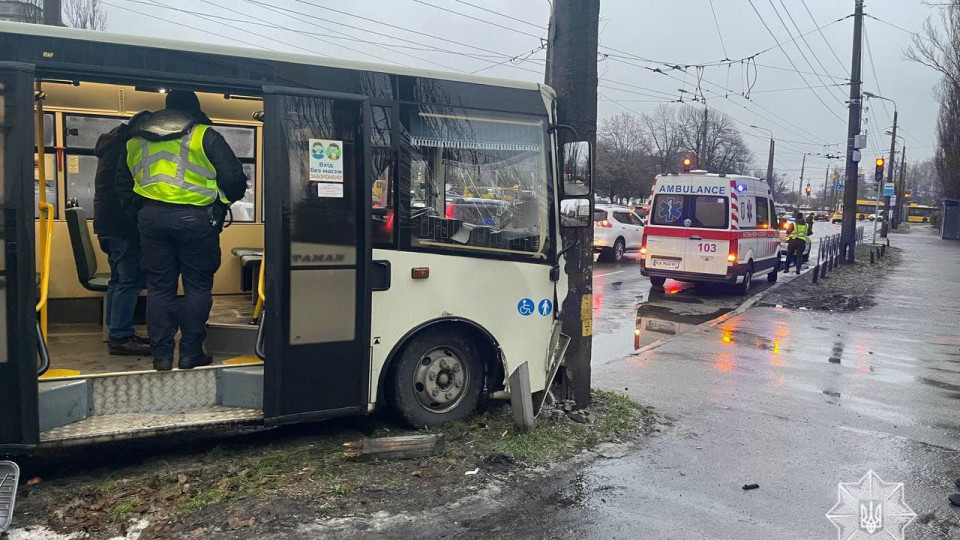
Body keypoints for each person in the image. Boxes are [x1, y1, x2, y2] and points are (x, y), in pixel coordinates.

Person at [116, 91, 247, 371]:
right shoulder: (204, 135)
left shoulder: (136, 139)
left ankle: (161, 356)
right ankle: (190, 353)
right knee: (197, 287)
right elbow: (234, 179)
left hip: (151, 219)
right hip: (196, 220)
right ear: (195, 110)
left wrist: (141, 213)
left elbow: (122, 184)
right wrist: (221, 203)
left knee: (159, 288)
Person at [93, 111, 151, 356]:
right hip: (122, 224)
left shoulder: (111, 143)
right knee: (130, 279)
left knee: (118, 280)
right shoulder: (128, 147)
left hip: (106, 222)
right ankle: (120, 336)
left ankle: (117, 331)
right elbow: (125, 189)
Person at [783, 211, 809, 275]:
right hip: (802, 241)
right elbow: (808, 233)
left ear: (796, 218)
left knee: (789, 255)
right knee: (799, 256)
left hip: (793, 241)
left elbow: (788, 232)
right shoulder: (806, 225)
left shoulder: (793, 224)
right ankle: (798, 270)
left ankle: (786, 269)